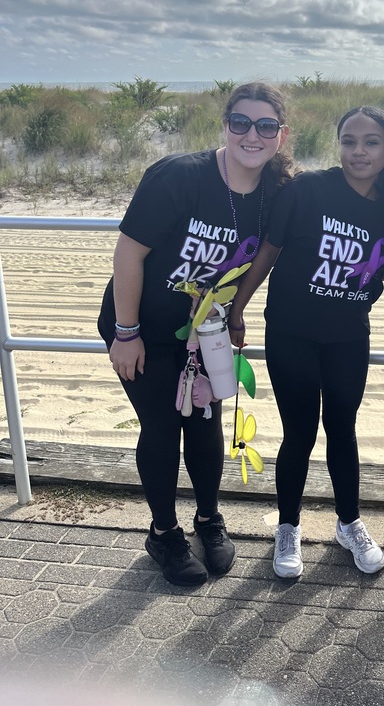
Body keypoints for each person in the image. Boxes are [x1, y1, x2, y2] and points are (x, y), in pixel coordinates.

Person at [98, 82, 292, 587]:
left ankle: (209, 519)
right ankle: (163, 533)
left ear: (281, 135)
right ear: (224, 125)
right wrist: (126, 332)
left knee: (205, 425)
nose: (253, 134)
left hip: (205, 329)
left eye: (266, 125)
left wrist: (237, 311)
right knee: (161, 426)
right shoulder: (180, 176)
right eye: (241, 123)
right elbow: (129, 253)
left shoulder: (276, 190)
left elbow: (264, 256)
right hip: (142, 325)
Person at [228, 106, 384, 578]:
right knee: (298, 433)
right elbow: (267, 253)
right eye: (349, 141)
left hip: (348, 335)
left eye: (371, 142)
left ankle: (349, 522)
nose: (358, 151)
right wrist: (238, 308)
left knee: (342, 429)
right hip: (291, 331)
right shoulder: (307, 190)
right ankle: (288, 527)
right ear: (337, 143)